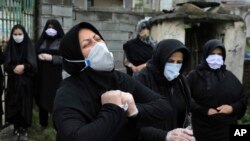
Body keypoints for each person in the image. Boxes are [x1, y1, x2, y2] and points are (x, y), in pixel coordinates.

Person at [52, 22, 173, 141]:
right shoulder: (67, 93)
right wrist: (112, 108)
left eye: (98, 39)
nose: (97, 45)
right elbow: (76, 136)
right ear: (75, 57)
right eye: (86, 44)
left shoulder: (119, 79)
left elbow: (164, 106)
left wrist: (134, 109)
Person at [134, 39, 195, 141]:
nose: (175, 66)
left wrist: (185, 132)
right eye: (170, 61)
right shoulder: (142, 79)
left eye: (179, 62)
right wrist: (164, 135)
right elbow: (133, 122)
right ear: (161, 58)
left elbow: (183, 112)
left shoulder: (180, 81)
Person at [187, 39, 247, 141]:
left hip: (226, 129)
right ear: (205, 54)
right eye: (212, 53)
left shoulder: (229, 76)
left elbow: (242, 98)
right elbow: (185, 98)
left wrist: (232, 108)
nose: (216, 57)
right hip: (202, 129)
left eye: (219, 54)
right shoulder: (194, 76)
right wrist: (204, 110)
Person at [4, 24, 37, 141]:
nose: (17, 36)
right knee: (13, 104)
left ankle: (24, 129)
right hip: (13, 82)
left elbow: (33, 64)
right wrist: (14, 68)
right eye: (15, 34)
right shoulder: (10, 47)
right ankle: (16, 128)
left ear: (24, 34)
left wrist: (24, 66)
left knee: (25, 105)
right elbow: (6, 64)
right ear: (12, 35)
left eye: (20, 34)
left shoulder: (29, 46)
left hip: (26, 82)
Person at [35, 19, 64, 128]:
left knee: (55, 100)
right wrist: (38, 56)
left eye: (53, 27)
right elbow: (34, 52)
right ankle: (43, 124)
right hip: (41, 76)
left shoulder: (62, 41)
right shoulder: (42, 40)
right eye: (48, 27)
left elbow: (65, 59)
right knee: (42, 97)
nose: (50, 30)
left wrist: (52, 58)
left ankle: (56, 126)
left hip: (54, 77)